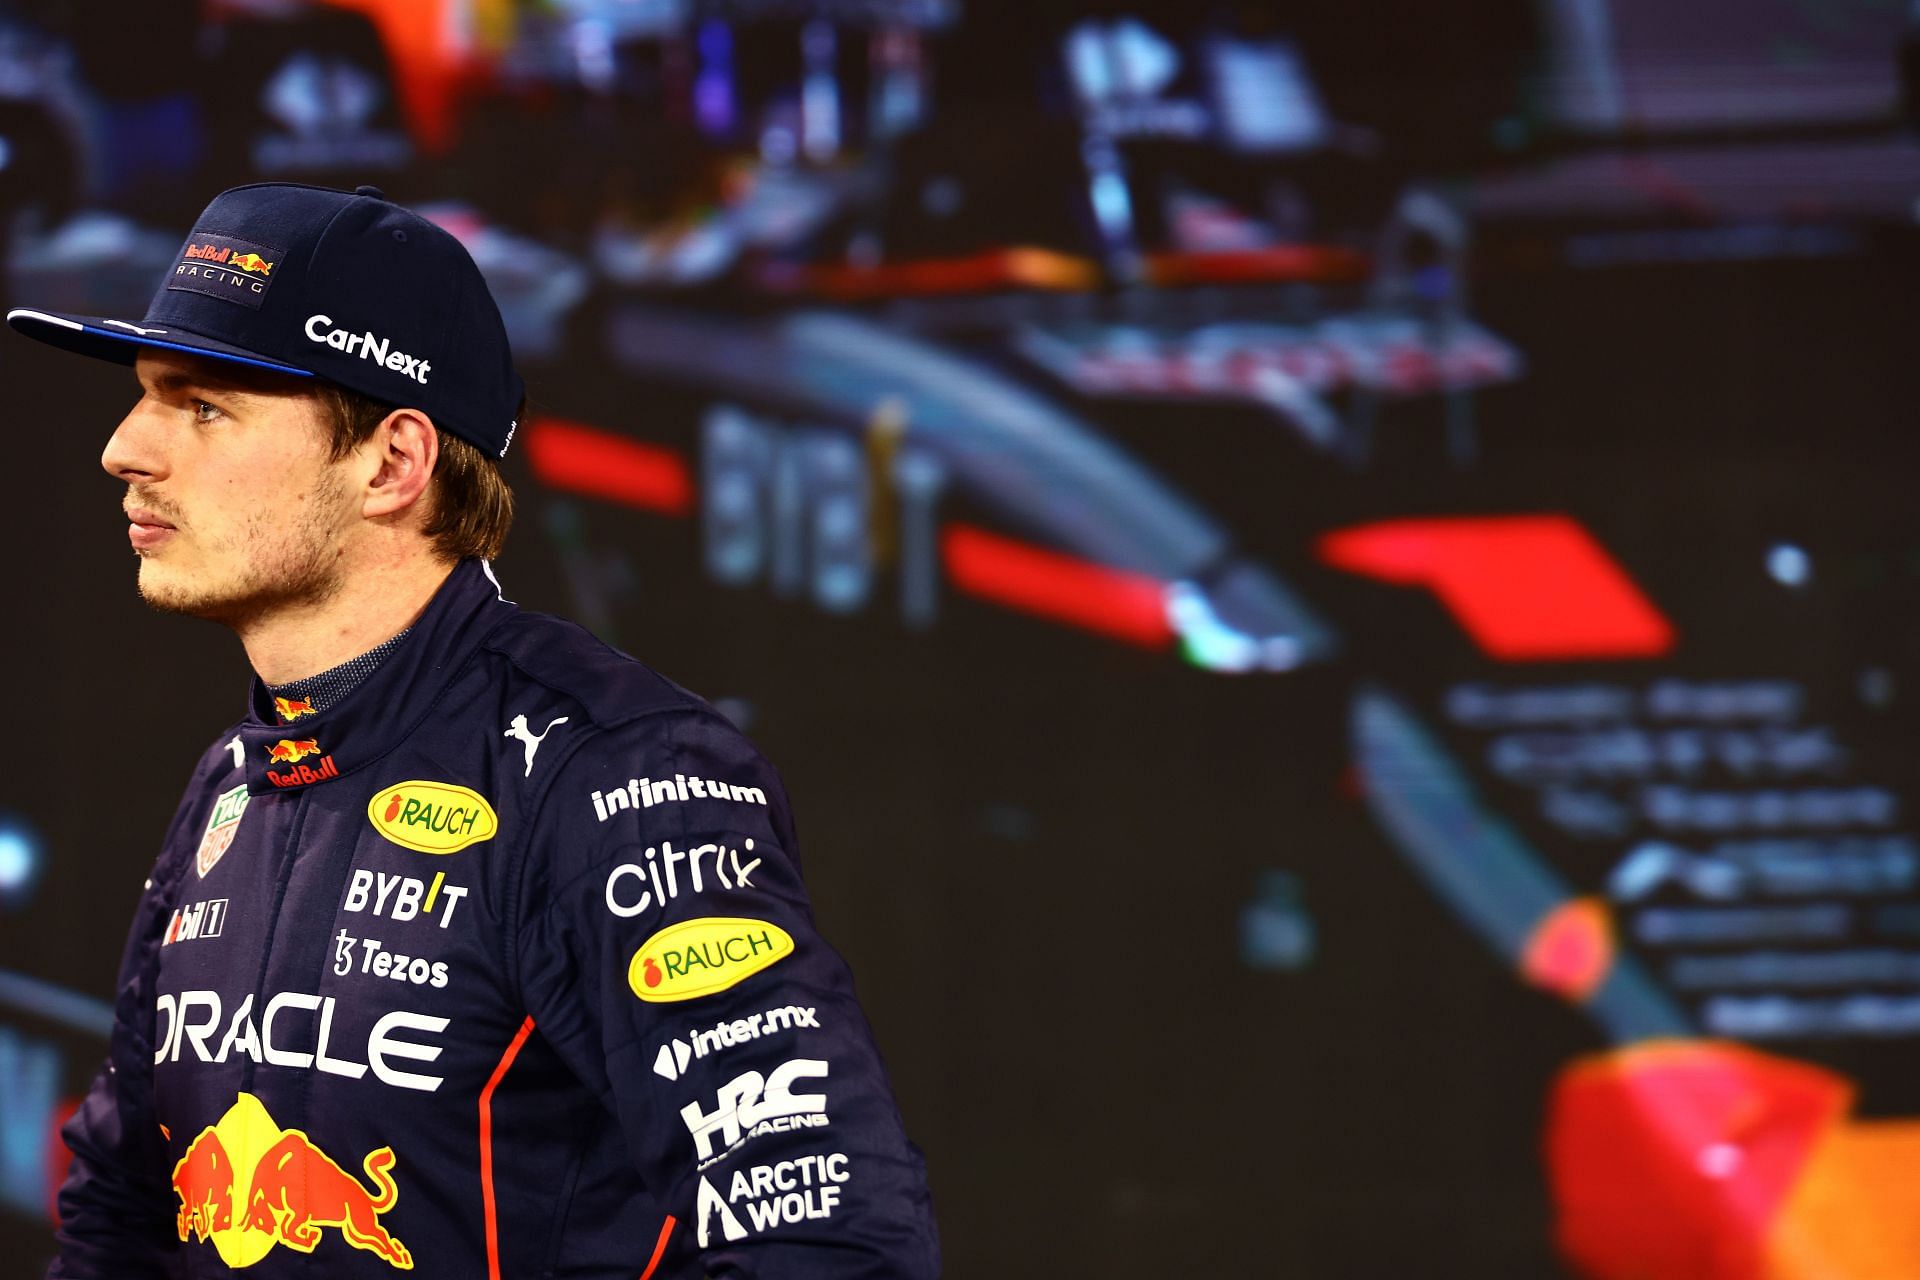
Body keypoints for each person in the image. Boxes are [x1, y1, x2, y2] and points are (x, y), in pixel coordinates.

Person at [9, 182, 940, 1278]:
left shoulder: (618, 773)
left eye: (203, 405)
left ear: (392, 464)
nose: (125, 447)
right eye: (145, 396)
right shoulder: (230, 786)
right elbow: (121, 1213)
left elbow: (829, 1244)